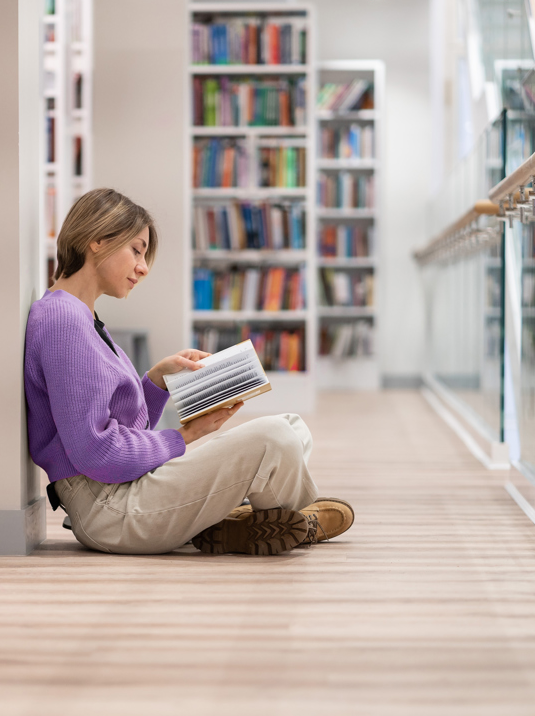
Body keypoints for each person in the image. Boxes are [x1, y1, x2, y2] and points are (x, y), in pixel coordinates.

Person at [24, 188, 354, 555]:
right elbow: (97, 452)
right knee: (275, 437)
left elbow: (122, 432)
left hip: (124, 488)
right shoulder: (63, 321)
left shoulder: (81, 317)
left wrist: (156, 381)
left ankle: (233, 521)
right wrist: (187, 435)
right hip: (111, 510)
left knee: (292, 426)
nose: (143, 267)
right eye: (136, 249)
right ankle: (301, 520)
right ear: (97, 240)